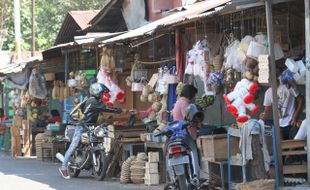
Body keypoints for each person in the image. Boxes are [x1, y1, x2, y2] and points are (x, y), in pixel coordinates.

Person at [59, 83, 124, 179]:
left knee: (95, 141)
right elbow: (107, 108)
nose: (103, 95)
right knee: (74, 145)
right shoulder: (93, 101)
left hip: (91, 126)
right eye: (102, 93)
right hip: (82, 127)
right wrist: (120, 110)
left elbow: (101, 111)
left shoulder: (95, 101)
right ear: (97, 93)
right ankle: (63, 166)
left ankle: (94, 166)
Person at [261, 70, 304, 140]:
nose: (268, 83)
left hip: (291, 123)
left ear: (276, 78)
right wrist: (261, 118)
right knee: (282, 148)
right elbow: (266, 110)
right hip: (278, 126)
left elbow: (301, 100)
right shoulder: (268, 92)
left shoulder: (287, 86)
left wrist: (295, 117)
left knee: (292, 147)